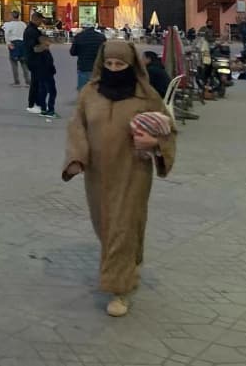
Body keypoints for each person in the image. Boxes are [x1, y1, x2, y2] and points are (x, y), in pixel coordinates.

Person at [62, 40, 176, 317]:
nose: (114, 69)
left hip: (133, 171)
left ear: (131, 66)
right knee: (106, 226)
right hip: (98, 174)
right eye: (110, 64)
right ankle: (129, 264)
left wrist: (155, 142)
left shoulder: (146, 95)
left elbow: (168, 130)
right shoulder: (90, 92)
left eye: (120, 65)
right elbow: (77, 125)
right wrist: (76, 157)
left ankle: (119, 291)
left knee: (123, 227)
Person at [70, 22, 106, 90]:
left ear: (83, 28)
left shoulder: (79, 36)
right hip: (97, 66)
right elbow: (105, 51)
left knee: (83, 89)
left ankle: (83, 99)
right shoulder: (101, 37)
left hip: (83, 66)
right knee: (97, 89)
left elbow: (72, 52)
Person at [23, 10, 45, 113]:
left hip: (33, 58)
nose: (41, 22)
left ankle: (35, 103)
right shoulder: (32, 31)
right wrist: (44, 46)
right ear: (35, 19)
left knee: (36, 82)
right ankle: (33, 103)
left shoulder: (32, 29)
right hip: (34, 59)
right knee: (36, 82)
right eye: (40, 20)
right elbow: (33, 46)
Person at [2, 10, 29, 86]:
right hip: (23, 43)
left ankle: (17, 81)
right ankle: (28, 81)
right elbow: (26, 34)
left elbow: (6, 34)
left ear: (12, 16)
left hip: (14, 43)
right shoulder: (23, 24)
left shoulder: (8, 24)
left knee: (14, 63)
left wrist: (8, 43)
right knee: (24, 63)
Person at [34, 34, 58, 119]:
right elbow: (48, 64)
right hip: (47, 74)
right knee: (52, 92)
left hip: (40, 74)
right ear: (44, 42)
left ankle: (43, 109)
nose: (50, 42)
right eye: (48, 41)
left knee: (43, 92)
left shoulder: (37, 51)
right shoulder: (45, 52)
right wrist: (52, 70)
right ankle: (51, 110)